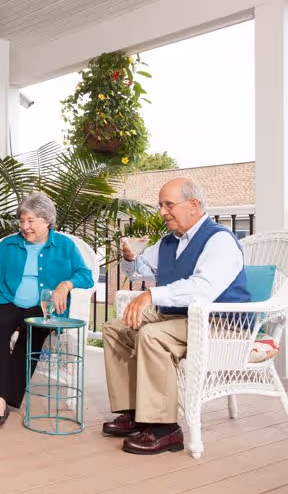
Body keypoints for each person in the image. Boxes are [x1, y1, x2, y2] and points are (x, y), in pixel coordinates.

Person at [102, 176, 250, 455]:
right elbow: (138, 271)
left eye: (168, 204)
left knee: (152, 335)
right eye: (160, 205)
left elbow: (202, 290)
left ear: (193, 204)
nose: (161, 212)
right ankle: (134, 411)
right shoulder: (169, 242)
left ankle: (164, 429)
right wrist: (131, 257)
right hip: (182, 319)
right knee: (115, 328)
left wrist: (151, 295)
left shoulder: (220, 240)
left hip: (220, 323)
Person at [0, 192, 94, 429]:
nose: (24, 227)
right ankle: (1, 401)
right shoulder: (8, 244)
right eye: (22, 221)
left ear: (46, 220)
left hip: (41, 307)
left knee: (31, 336)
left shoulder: (64, 246)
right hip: (6, 300)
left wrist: (66, 284)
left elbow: (85, 275)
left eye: (31, 221)